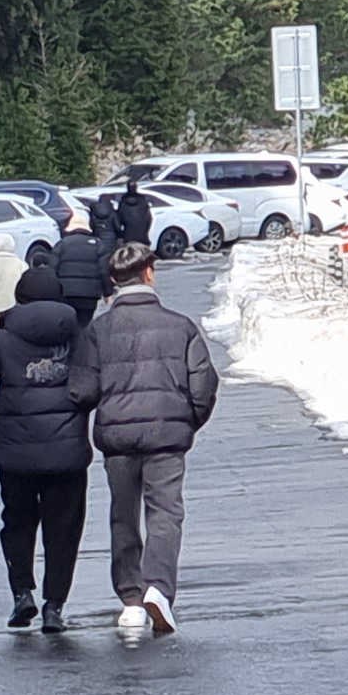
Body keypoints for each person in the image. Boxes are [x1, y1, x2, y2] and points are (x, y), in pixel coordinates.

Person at [0, 253, 98, 630]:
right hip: (66, 453)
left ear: (21, 299)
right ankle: (54, 607)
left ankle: (21, 595)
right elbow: (94, 385)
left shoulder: (4, 340)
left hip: (14, 454)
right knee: (63, 529)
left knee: (17, 522)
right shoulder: (78, 334)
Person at [86, 237, 219, 641]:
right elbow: (205, 384)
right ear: (149, 273)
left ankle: (129, 599)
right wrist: (185, 423)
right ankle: (158, 589)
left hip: (118, 438)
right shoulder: (180, 326)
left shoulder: (98, 330)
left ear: (114, 280)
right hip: (166, 437)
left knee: (122, 515)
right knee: (165, 514)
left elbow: (82, 389)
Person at [51, 205, 110, 326]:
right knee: (84, 325)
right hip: (90, 295)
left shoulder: (62, 245)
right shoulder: (98, 245)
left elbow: (52, 269)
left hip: (66, 293)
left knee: (68, 324)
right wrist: (107, 292)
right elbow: (105, 271)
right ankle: (83, 344)